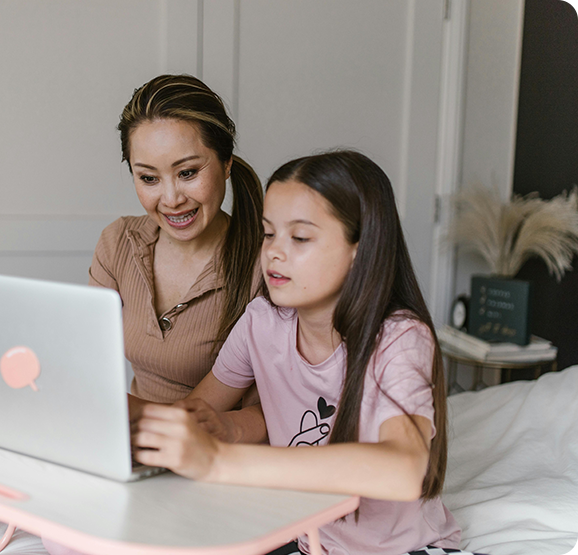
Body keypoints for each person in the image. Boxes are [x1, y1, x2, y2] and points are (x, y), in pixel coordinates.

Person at [134, 150, 475, 555]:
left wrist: (219, 460)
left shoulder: (399, 338)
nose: (275, 252)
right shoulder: (262, 323)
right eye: (268, 233)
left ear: (359, 249)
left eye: (299, 237)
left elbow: (404, 469)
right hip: (304, 539)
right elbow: (193, 411)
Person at [88, 74, 263, 410]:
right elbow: (87, 361)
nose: (170, 199)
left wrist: (139, 418)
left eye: (187, 173)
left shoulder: (266, 263)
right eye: (149, 178)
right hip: (132, 444)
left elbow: (267, 415)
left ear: (226, 163)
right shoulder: (119, 243)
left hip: (215, 451)